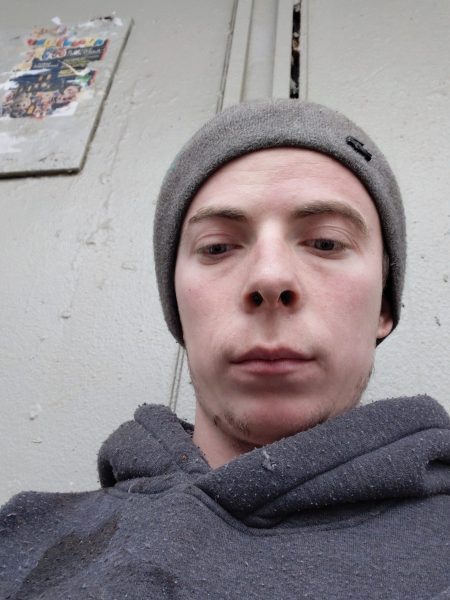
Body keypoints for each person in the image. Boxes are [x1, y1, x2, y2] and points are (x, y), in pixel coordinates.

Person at [1, 100, 449, 599]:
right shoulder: (20, 542)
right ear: (178, 309)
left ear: (383, 306)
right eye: (217, 247)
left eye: (325, 242)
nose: (270, 278)